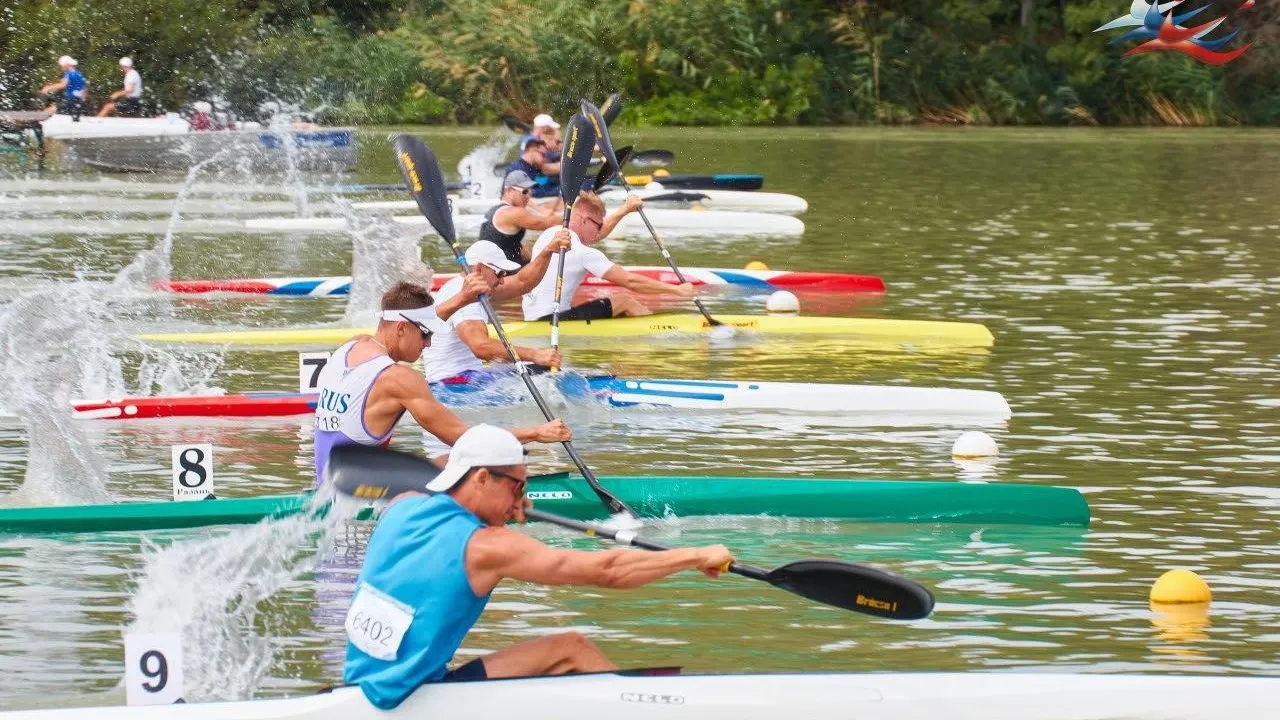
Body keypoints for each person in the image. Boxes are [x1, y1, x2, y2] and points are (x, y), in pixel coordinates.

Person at [343, 424, 733, 709]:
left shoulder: (401, 508)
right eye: (517, 486)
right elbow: (608, 571)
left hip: (361, 685)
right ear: (481, 477)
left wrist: (502, 507)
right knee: (570, 650)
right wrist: (694, 556)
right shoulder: (487, 547)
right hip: (407, 699)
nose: (521, 497)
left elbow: (435, 493)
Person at [312, 281, 570, 486]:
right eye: (425, 334)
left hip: (329, 484)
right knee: (468, 461)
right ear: (401, 328)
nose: (429, 343)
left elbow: (413, 320)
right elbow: (465, 440)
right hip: (360, 497)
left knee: (440, 462)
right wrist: (536, 433)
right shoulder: (400, 380)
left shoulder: (353, 345)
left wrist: (461, 298)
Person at [522, 192, 694, 321]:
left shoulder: (551, 234)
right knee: (624, 301)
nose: (600, 230)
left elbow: (595, 235)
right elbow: (630, 281)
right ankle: (658, 333)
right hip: (551, 321)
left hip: (533, 317)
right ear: (583, 220)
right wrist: (677, 290)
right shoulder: (584, 253)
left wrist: (625, 210)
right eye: (599, 224)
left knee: (613, 309)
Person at [423, 238, 569, 384]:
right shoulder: (462, 297)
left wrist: (547, 251)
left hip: (465, 378)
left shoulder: (475, 290)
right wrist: (535, 354)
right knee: (548, 376)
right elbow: (480, 347)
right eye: (500, 273)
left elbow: (522, 282)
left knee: (542, 371)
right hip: (452, 386)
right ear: (480, 268)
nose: (502, 280)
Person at [477, 171, 562, 265]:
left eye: (530, 192)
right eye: (525, 191)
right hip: (500, 273)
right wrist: (571, 216)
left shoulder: (495, 210)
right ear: (509, 191)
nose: (528, 196)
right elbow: (546, 223)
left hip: (494, 267)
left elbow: (513, 245)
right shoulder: (513, 213)